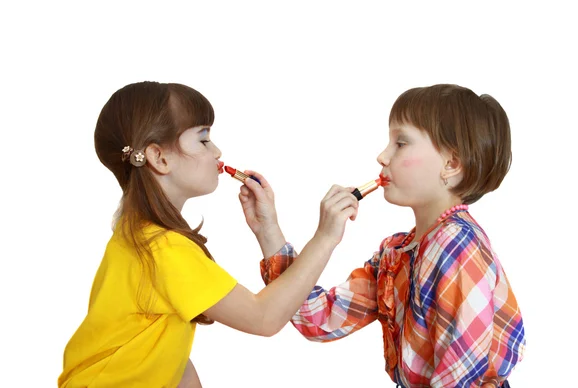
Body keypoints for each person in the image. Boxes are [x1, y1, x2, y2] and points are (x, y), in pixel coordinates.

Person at [58, 81, 359, 387]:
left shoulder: (136, 235)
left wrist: (267, 228)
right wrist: (325, 237)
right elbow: (264, 317)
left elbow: (169, 357)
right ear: (159, 158)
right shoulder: (164, 249)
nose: (217, 151)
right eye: (203, 139)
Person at [259, 84, 525, 387]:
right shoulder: (397, 254)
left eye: (401, 143)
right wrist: (270, 230)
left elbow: (459, 378)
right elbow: (318, 319)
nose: (382, 156)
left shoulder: (457, 246)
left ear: (451, 164)